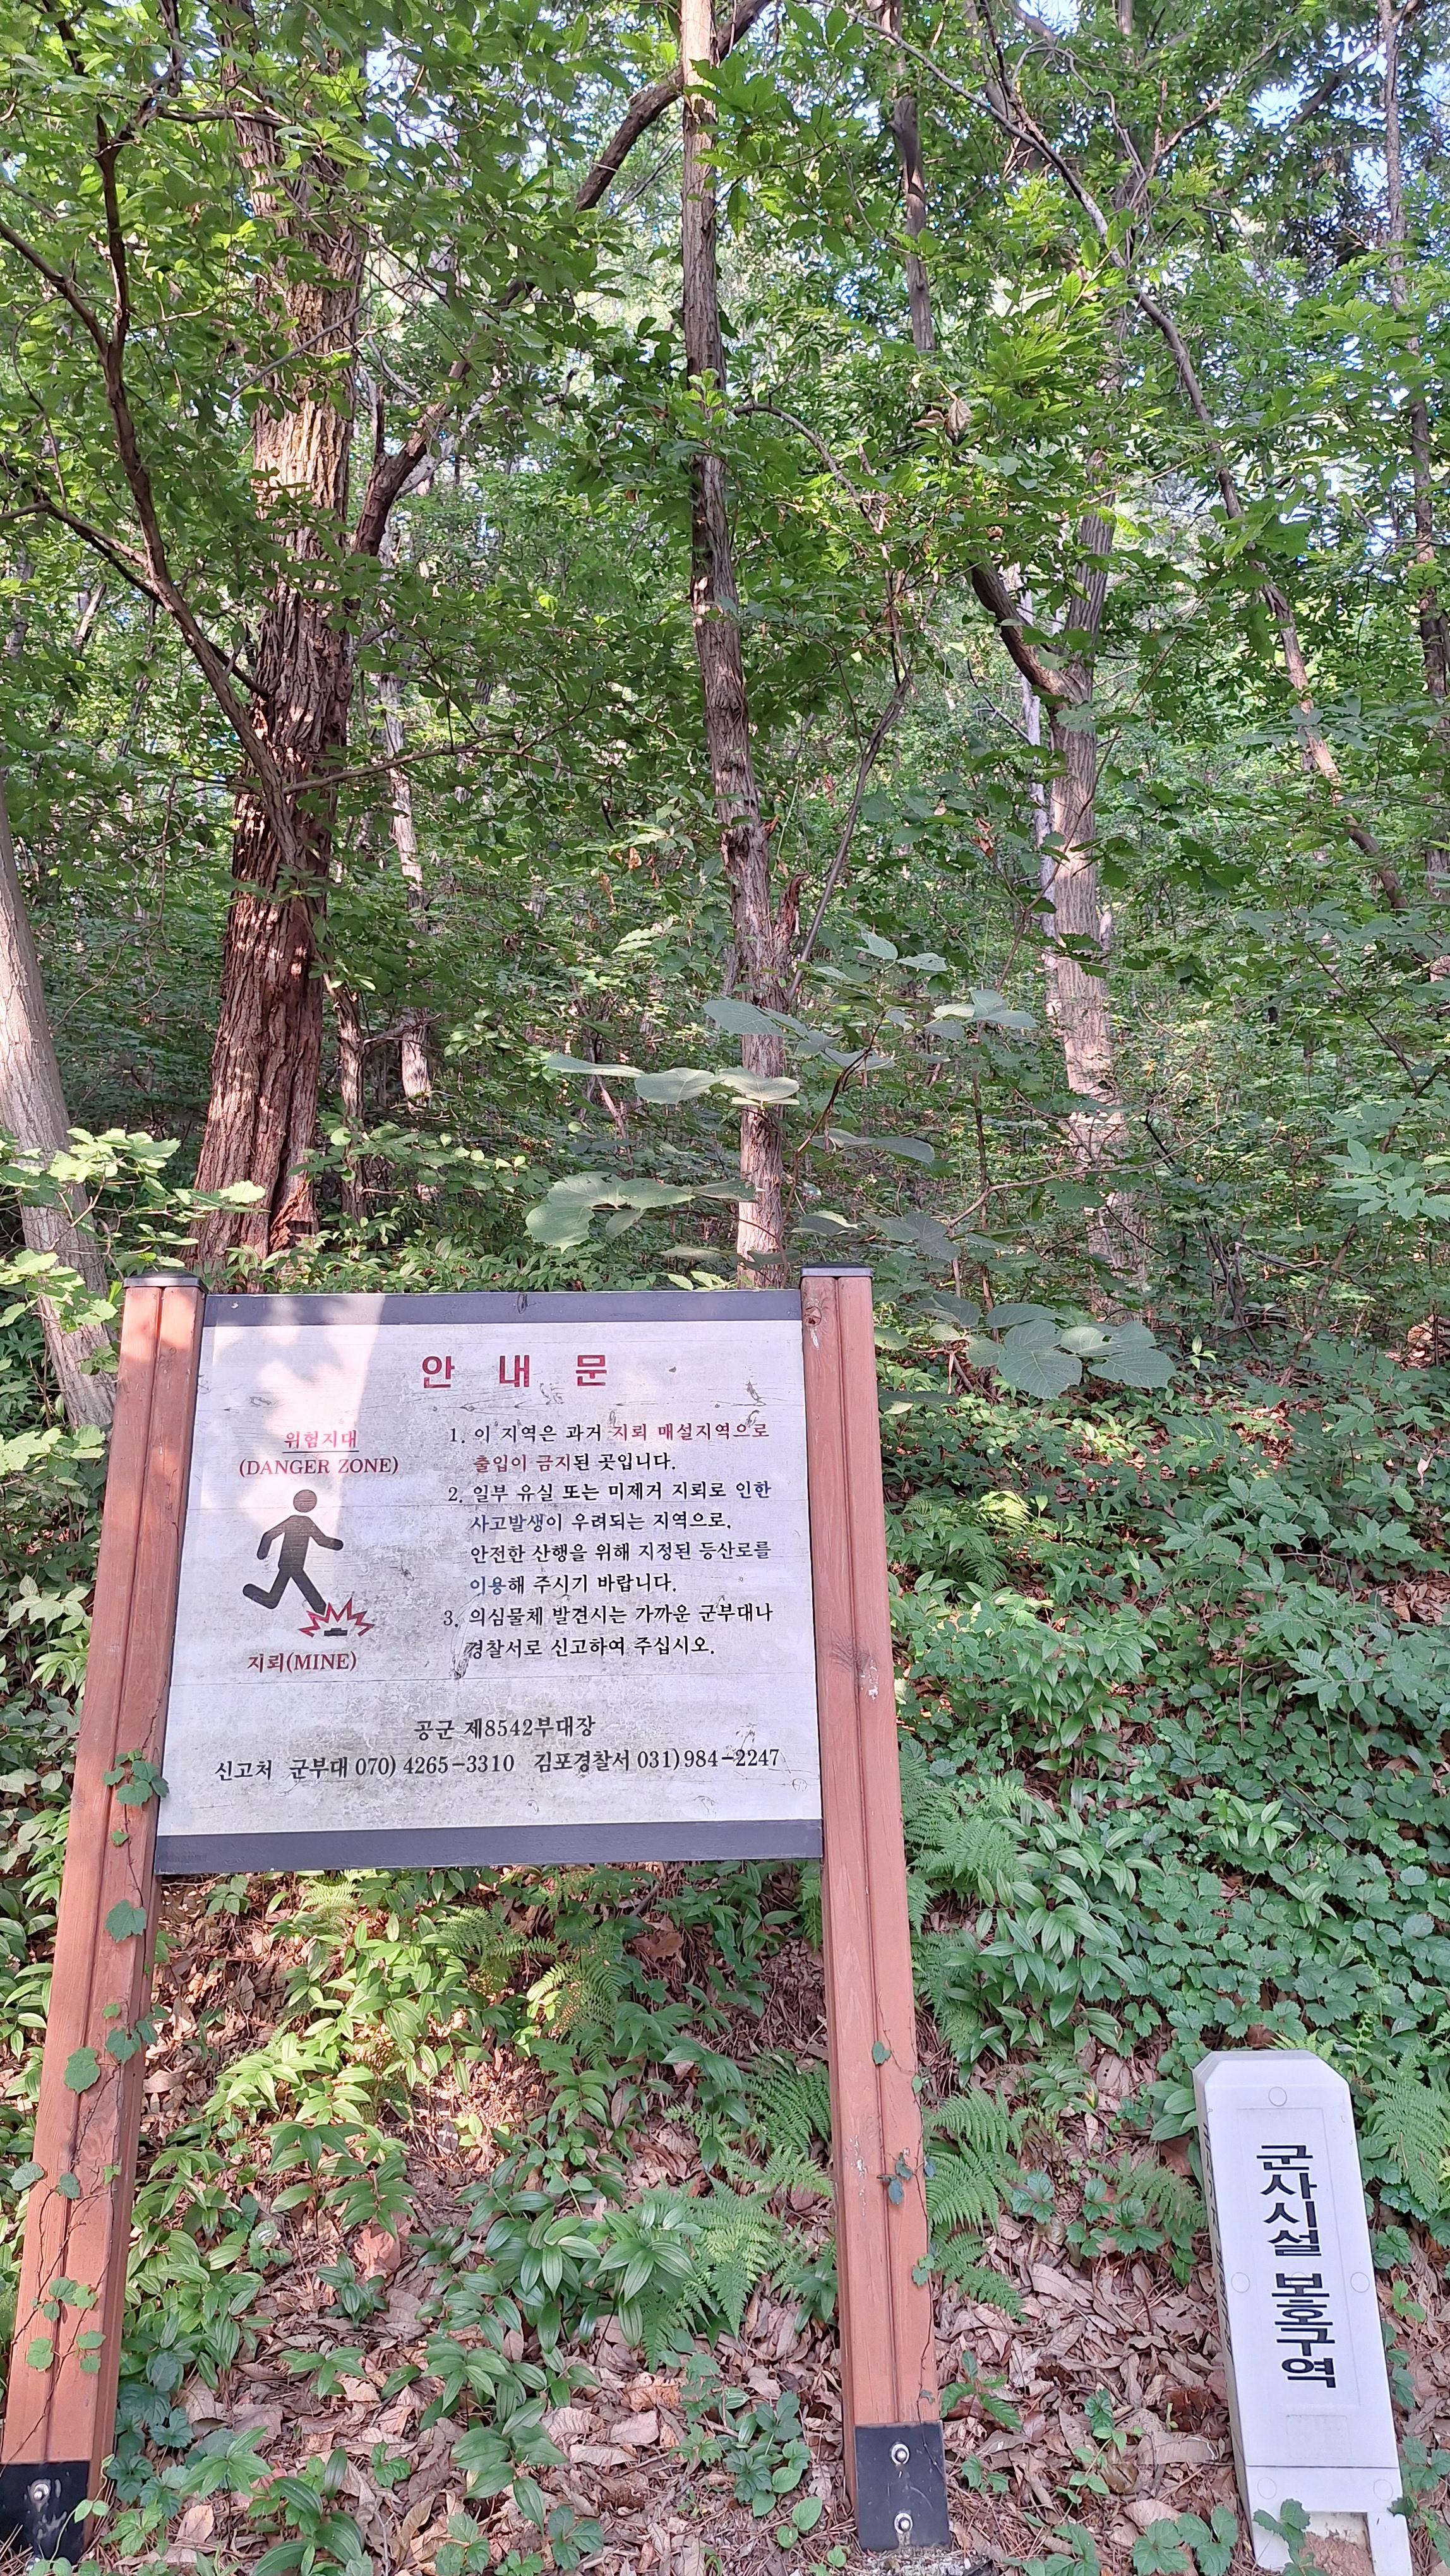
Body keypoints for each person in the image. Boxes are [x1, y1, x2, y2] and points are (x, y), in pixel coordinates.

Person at [243, 1486, 344, 1614]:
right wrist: (336, 1545)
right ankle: (322, 1610)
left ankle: (321, 1610)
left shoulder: (300, 1521)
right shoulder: (300, 1521)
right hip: (292, 1564)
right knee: (304, 1587)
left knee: (283, 1593)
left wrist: (263, 1553)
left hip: (290, 1564)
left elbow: (270, 1535)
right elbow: (321, 1540)